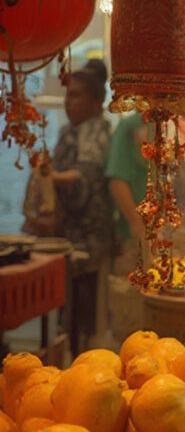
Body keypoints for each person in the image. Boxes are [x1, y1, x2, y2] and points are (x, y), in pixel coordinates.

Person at [47, 60, 115, 340]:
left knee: (87, 313)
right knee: (67, 311)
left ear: (95, 100)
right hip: (66, 234)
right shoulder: (67, 132)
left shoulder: (97, 130)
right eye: (67, 95)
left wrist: (48, 176)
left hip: (90, 237)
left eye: (75, 95)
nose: (68, 103)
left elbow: (83, 177)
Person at [106, 112, 150, 275]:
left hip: (172, 237)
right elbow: (117, 181)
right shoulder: (131, 126)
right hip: (137, 238)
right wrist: (137, 226)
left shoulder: (179, 126)